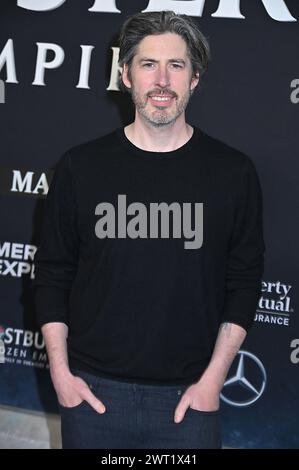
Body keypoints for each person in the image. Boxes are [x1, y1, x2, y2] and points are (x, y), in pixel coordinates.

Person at [33, 10, 265, 449]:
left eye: (176, 65)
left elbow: (244, 280)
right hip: (92, 396)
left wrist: (212, 382)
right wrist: (62, 377)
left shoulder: (232, 173)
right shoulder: (81, 167)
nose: (162, 80)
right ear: (125, 75)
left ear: (195, 78)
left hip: (189, 399)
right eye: (147, 65)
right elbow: (52, 273)